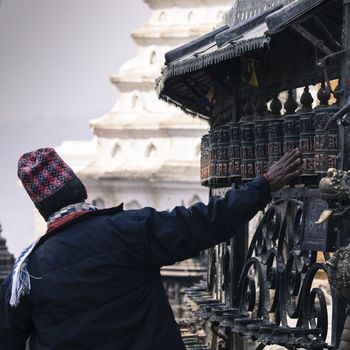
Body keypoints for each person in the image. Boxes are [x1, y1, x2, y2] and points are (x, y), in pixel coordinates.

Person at [0, 147, 301, 350]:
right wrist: (262, 186)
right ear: (80, 188)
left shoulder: (26, 274)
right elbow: (207, 222)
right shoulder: (128, 230)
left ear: (41, 207)